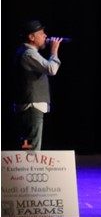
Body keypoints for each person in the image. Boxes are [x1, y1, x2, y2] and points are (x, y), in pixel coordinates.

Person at [13, 20, 67, 150]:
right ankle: (29, 169)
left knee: (29, 144)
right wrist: (54, 50)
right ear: (31, 37)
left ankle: (28, 168)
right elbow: (51, 69)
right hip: (31, 106)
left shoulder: (29, 52)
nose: (45, 36)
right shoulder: (28, 53)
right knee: (31, 146)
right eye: (41, 33)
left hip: (32, 105)